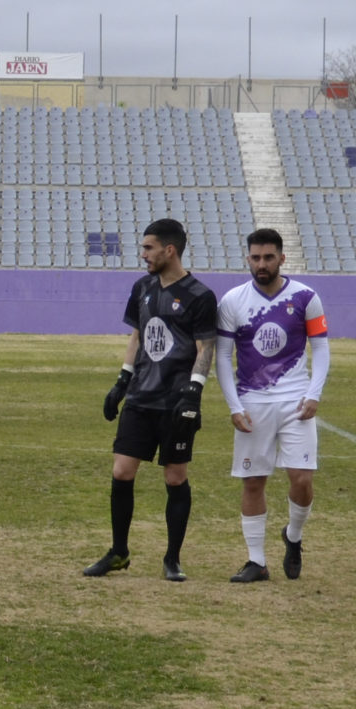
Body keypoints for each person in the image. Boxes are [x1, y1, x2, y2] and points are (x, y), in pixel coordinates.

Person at [84, 216, 220, 582]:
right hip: (141, 398)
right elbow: (138, 336)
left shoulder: (200, 295)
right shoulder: (142, 287)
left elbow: (206, 346)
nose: (143, 254)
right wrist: (121, 382)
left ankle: (172, 558)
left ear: (169, 250)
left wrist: (194, 392)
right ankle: (118, 552)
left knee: (175, 479)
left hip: (177, 402)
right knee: (121, 471)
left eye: (148, 248)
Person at [216, 227, 329, 583]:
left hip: (295, 402)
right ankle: (256, 562)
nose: (261, 264)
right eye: (255, 257)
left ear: (282, 258)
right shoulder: (232, 300)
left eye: (268, 257)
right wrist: (234, 405)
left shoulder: (306, 297)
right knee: (253, 481)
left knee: (302, 480)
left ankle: (293, 536)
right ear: (247, 259)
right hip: (252, 401)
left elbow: (321, 348)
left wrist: (314, 394)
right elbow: (222, 355)